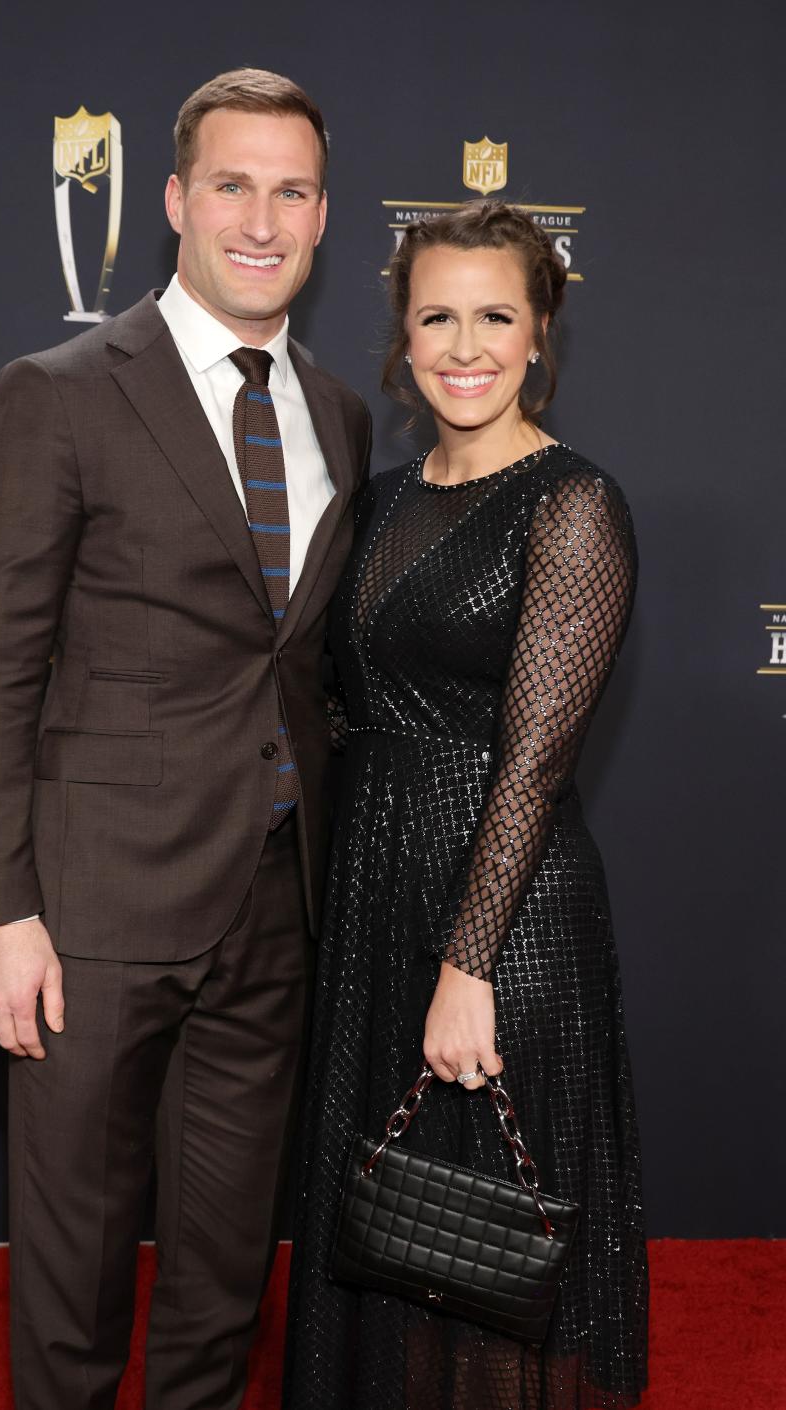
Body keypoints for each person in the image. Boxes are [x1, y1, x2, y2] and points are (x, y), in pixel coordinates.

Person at [0, 67, 370, 1410]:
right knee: (71, 1276)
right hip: (92, 909)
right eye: (232, 183)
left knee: (224, 1269)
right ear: (176, 200)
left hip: (274, 906)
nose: (262, 216)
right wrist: (0, 908)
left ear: (322, 215)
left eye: (291, 189)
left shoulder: (341, 413)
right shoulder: (59, 390)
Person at [283, 201, 648, 1410]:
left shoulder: (572, 506)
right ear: (401, 329)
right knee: (387, 1238)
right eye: (437, 315)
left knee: (484, 1254)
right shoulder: (380, 502)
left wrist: (468, 962)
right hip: (378, 903)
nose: (465, 344)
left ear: (541, 333)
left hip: (504, 923)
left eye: (496, 315)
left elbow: (536, 761)